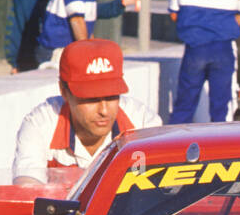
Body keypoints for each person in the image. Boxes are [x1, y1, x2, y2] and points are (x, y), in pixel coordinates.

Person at [12, 39, 161, 185]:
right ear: (64, 92)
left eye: (112, 96)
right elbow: (26, 187)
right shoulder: (40, 123)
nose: (103, 110)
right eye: (91, 98)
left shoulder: (144, 124)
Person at [167, 0, 240, 124]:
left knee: (184, 107)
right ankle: (219, 142)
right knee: (220, 110)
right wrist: (221, 25)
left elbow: (174, 14)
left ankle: (174, 143)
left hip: (194, 49)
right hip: (222, 49)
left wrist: (199, 24)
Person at [34, 0, 145, 69]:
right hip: (56, 52)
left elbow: (95, 12)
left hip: (64, 50)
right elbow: (77, 20)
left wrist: (123, 2)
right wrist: (88, 53)